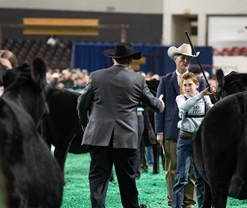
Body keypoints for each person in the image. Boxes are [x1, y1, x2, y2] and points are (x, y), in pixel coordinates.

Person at [77, 42, 165, 208]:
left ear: (113, 59)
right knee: (127, 180)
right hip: (125, 138)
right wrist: (160, 103)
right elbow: (155, 106)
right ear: (130, 61)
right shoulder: (138, 79)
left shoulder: (96, 76)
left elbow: (81, 103)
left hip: (98, 137)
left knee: (98, 180)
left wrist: (84, 123)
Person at [155, 43, 206, 207]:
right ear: (175, 59)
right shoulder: (165, 80)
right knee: (172, 169)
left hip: (193, 132)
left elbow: (205, 107)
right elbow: (159, 107)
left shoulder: (199, 82)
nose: (185, 61)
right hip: (170, 131)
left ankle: (189, 202)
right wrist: (159, 131)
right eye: (182, 58)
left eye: (188, 58)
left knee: (192, 168)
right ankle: (173, 200)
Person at [172, 72, 214, 208]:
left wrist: (217, 97)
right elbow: (185, 107)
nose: (187, 87)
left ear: (197, 84)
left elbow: (213, 112)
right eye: (184, 85)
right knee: (181, 177)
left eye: (190, 84)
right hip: (185, 140)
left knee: (201, 177)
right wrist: (201, 94)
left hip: (200, 142)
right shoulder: (180, 98)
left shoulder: (205, 99)